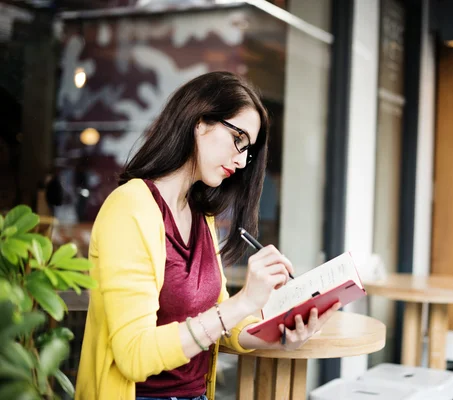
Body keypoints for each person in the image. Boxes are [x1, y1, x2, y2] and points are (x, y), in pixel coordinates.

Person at [75, 71, 341, 400]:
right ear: (199, 122)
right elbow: (134, 355)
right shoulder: (130, 208)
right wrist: (245, 301)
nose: (242, 161)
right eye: (237, 139)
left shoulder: (201, 216)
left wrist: (280, 333)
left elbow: (217, 325)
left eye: (249, 150)